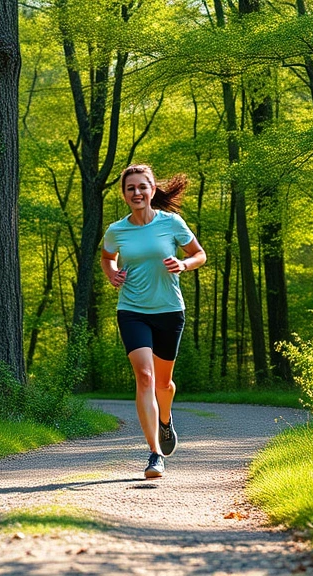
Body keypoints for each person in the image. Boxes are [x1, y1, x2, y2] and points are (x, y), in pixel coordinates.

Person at [101, 164, 207, 479]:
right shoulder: (116, 230)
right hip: (132, 310)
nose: (137, 193)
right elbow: (107, 257)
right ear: (124, 194)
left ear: (152, 190)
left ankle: (165, 420)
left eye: (142, 187)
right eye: (130, 188)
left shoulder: (171, 223)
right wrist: (112, 274)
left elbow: (199, 254)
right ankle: (154, 454)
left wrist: (184, 264)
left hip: (169, 310)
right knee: (145, 377)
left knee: (164, 383)